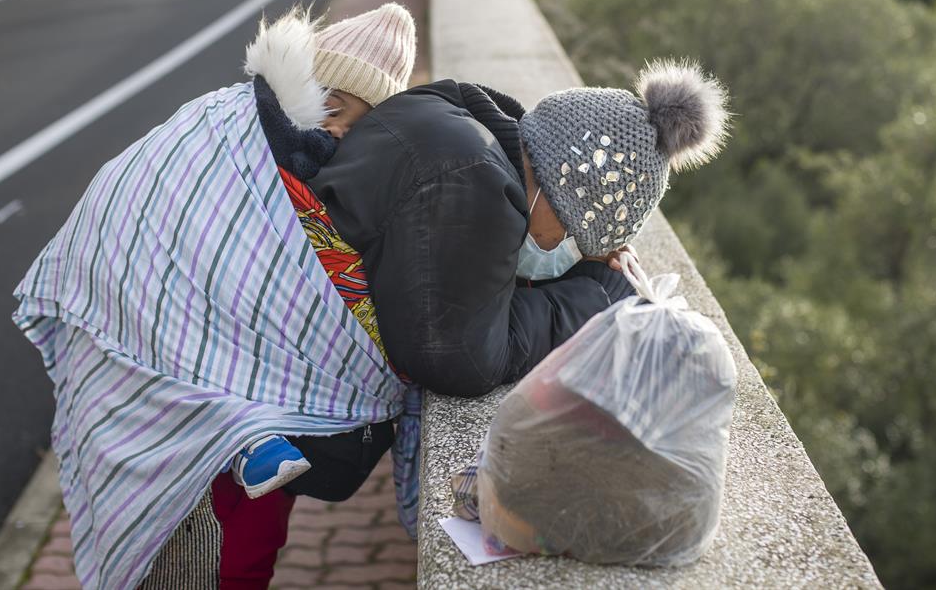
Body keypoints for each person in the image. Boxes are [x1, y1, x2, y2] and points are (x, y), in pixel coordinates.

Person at [12, 4, 418, 590]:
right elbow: (145, 196)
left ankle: (243, 434)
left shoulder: (322, 169)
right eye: (336, 106)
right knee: (228, 551)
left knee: (243, 543)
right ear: (312, 82)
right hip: (164, 349)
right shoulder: (225, 126)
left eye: (360, 123)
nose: (340, 130)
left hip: (251, 396)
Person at [308, 59, 731, 398]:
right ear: (561, 195)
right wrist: (598, 293)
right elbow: (464, 362)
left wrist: (578, 266)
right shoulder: (477, 188)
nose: (568, 253)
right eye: (574, 241)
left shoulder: (460, 122)